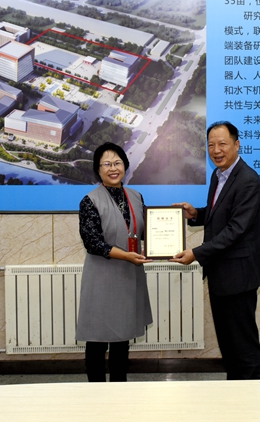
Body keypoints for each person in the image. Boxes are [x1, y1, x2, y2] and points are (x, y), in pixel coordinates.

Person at [171, 121, 260, 379]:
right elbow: (219, 215)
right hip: (221, 274)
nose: (216, 150)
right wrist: (196, 214)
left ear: (237, 144)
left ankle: (251, 394)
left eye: (222, 144)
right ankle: (234, 390)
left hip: (238, 277)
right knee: (229, 343)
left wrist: (197, 253)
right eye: (211, 145)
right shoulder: (218, 176)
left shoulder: (248, 180)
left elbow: (236, 229)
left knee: (243, 345)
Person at [76, 142, 152, 382]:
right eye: (106, 164)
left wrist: (160, 243)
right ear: (98, 170)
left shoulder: (136, 197)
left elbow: (146, 231)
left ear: (125, 167)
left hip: (128, 277)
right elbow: (92, 243)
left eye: (117, 163)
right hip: (101, 277)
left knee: (123, 337)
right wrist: (127, 255)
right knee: (97, 338)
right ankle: (97, 391)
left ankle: (120, 389)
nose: (113, 168)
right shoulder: (89, 201)